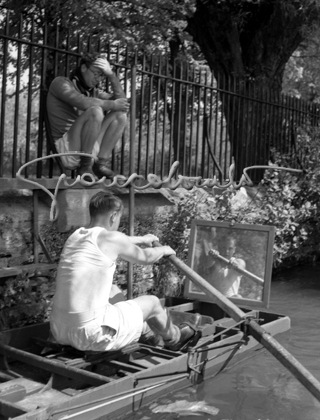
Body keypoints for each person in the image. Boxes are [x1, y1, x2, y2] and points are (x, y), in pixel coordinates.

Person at [49, 191, 199, 353]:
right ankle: (175, 338)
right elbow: (146, 257)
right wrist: (163, 250)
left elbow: (117, 240)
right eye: (118, 218)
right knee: (154, 303)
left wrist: (142, 239)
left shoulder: (77, 236)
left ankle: (146, 333)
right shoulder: (111, 239)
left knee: (113, 290)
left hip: (60, 330)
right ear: (114, 216)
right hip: (91, 336)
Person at [47, 52, 129, 180]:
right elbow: (82, 102)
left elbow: (122, 104)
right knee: (95, 111)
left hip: (88, 149)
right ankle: (85, 167)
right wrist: (112, 104)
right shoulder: (61, 83)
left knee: (120, 115)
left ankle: (99, 165)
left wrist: (111, 75)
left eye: (102, 76)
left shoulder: (95, 92)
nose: (98, 79)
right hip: (67, 150)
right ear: (84, 68)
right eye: (96, 73)